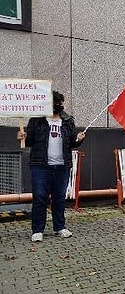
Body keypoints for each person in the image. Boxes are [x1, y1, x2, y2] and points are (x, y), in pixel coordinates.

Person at [17, 91, 85, 242]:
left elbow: (71, 143)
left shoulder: (67, 120)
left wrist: (79, 139)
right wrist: (22, 137)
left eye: (61, 103)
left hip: (62, 166)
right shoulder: (37, 120)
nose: (59, 106)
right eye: (56, 103)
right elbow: (29, 141)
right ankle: (37, 230)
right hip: (40, 165)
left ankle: (59, 227)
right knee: (40, 197)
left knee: (59, 198)